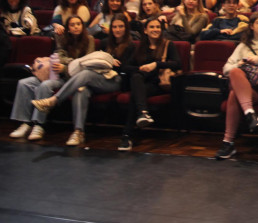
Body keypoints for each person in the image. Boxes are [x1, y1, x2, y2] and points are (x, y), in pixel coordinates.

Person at [28, 17, 134, 146]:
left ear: (126, 28)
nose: (117, 29)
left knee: (86, 74)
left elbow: (130, 69)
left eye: (121, 26)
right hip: (97, 77)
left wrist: (114, 64)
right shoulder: (106, 42)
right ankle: (78, 132)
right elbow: (92, 62)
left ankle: (54, 100)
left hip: (116, 80)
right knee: (81, 90)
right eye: (115, 27)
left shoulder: (131, 45)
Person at [9, 15, 94, 142]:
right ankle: (25, 123)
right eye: (72, 25)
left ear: (82, 26)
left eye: (78, 24)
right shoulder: (63, 39)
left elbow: (86, 63)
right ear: (68, 28)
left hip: (73, 79)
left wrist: (65, 66)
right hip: (57, 75)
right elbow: (59, 55)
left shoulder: (89, 39)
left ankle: (39, 125)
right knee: (24, 83)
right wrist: (70, 63)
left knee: (45, 85)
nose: (76, 27)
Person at [214, 11, 258, 159]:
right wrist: (240, 63)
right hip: (247, 88)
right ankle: (249, 113)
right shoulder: (243, 46)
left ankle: (228, 142)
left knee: (234, 94)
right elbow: (226, 68)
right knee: (234, 72)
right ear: (251, 26)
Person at [118, 17, 182, 151]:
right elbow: (125, 67)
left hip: (159, 84)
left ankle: (127, 135)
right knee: (136, 79)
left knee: (135, 94)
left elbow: (177, 64)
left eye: (158, 27)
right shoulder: (138, 47)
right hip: (142, 83)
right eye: (152, 27)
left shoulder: (168, 45)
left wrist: (156, 65)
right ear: (145, 31)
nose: (155, 30)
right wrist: (141, 68)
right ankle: (142, 113)